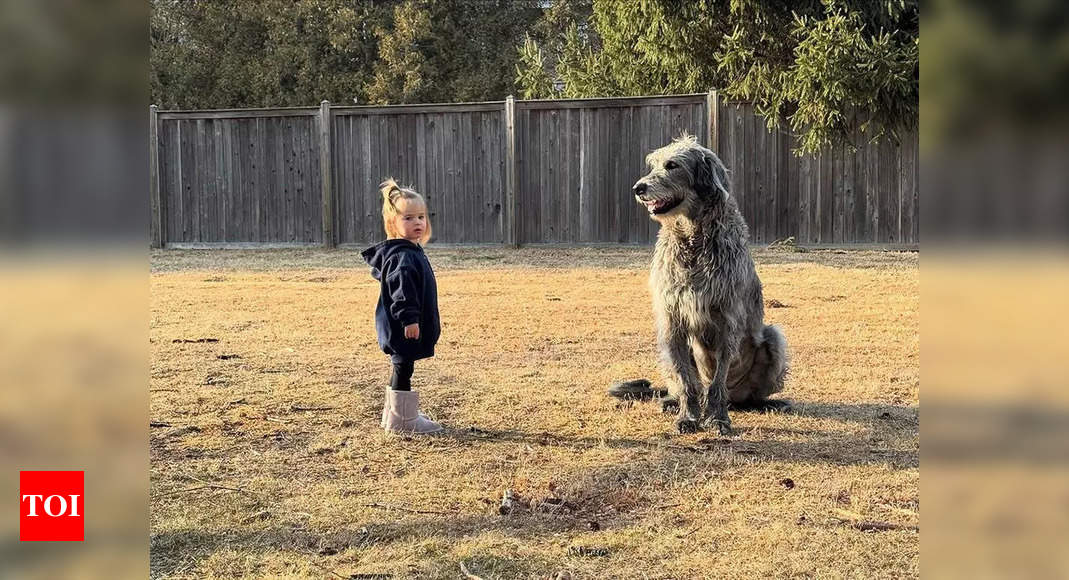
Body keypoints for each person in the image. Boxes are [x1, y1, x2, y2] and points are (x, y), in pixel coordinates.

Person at [360, 178, 443, 434]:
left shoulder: (409, 251)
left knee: (402, 365)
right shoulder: (403, 257)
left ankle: (394, 414)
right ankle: (403, 421)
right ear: (392, 223)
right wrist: (410, 319)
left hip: (403, 323)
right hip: (403, 324)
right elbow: (401, 291)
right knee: (403, 365)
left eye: (420, 216)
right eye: (408, 218)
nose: (417, 222)